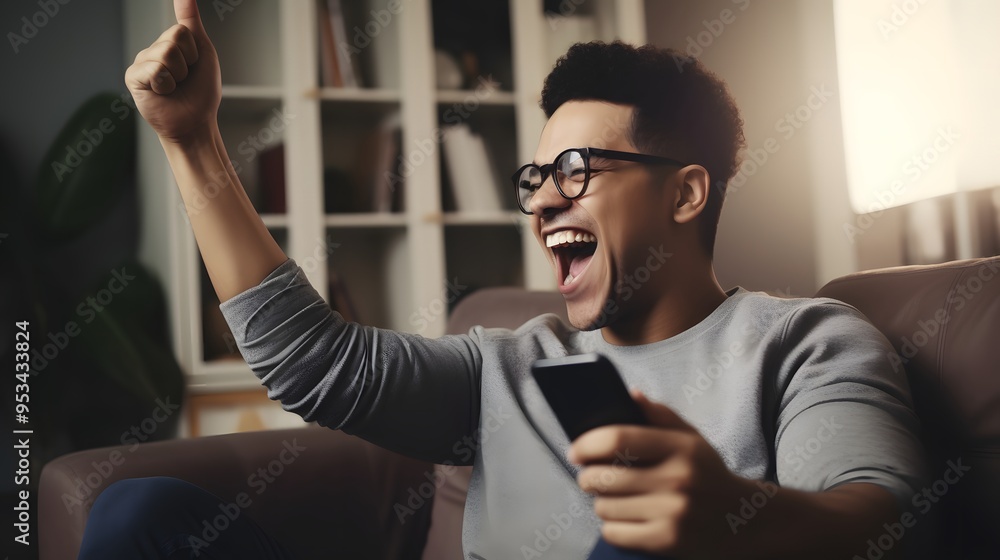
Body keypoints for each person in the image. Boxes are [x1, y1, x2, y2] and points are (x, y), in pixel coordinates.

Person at [80, 0, 929, 558]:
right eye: (533, 179)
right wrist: (192, 141)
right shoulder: (504, 366)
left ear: (685, 191)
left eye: (574, 167)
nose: (543, 200)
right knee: (137, 515)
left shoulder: (805, 339)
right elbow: (313, 364)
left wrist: (733, 520)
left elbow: (885, 524)